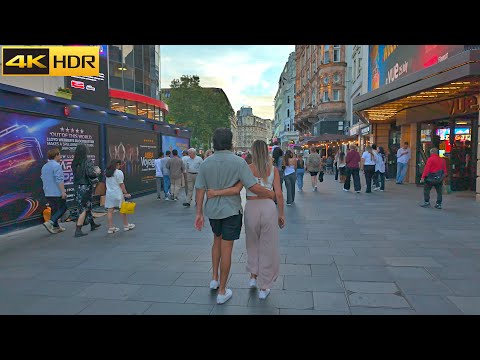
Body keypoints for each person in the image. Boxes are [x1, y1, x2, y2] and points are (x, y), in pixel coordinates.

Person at [194, 128, 276, 305]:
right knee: (227, 249)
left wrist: (199, 212)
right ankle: (223, 291)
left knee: (216, 241)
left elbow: (199, 189)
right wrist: (271, 194)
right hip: (231, 210)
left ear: (214, 143)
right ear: (230, 142)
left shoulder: (206, 163)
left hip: (213, 211)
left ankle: (214, 278)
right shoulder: (238, 162)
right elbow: (252, 186)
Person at [207, 139, 284, 300]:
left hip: (251, 208)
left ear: (253, 152)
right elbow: (278, 194)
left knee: (252, 244)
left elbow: (236, 189)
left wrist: (216, 193)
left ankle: (253, 278)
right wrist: (281, 214)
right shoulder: (274, 170)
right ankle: (264, 287)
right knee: (268, 247)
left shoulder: (247, 168)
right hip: (269, 208)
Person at [71, 144, 101, 237]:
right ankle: (78, 229)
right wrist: (97, 172)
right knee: (84, 207)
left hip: (77, 186)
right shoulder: (87, 161)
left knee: (87, 205)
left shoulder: (74, 162)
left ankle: (92, 224)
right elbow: (91, 173)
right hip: (86, 186)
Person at [40, 148, 67, 234]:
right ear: (56, 155)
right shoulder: (56, 166)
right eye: (59, 154)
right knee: (63, 207)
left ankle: (56, 227)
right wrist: (63, 191)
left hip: (48, 192)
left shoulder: (44, 166)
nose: (60, 156)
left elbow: (42, 178)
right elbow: (59, 179)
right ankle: (50, 222)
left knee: (54, 209)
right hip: (56, 192)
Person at [105, 159, 135, 233]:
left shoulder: (107, 172)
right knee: (122, 210)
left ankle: (111, 228)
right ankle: (126, 225)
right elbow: (121, 184)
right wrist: (125, 193)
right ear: (117, 164)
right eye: (119, 164)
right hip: (118, 193)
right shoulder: (118, 172)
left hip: (109, 194)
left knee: (110, 210)